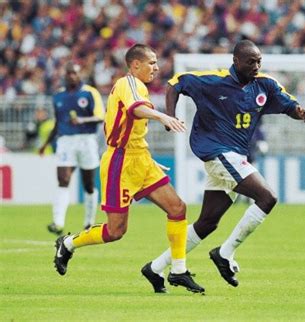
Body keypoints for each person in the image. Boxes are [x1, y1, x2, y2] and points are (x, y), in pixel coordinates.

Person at [150, 40, 305, 287]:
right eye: (251, 61)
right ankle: (224, 253)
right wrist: (169, 117)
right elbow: (176, 83)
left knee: (207, 223)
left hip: (233, 156)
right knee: (267, 197)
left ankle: (155, 267)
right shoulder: (213, 81)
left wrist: (300, 114)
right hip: (218, 152)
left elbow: (289, 105)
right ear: (236, 61)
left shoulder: (265, 85)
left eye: (259, 61)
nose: (256, 66)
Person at [53, 44, 205, 294]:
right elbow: (137, 109)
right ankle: (68, 244)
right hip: (119, 163)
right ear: (136, 65)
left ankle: (178, 271)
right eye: (151, 62)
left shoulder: (139, 86)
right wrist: (163, 116)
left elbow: (133, 123)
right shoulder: (129, 83)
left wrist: (147, 156)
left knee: (177, 208)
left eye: (156, 63)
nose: (156, 67)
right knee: (115, 231)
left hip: (141, 159)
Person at [40, 62, 104, 235]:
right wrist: (46, 144)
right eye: (68, 73)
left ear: (79, 74)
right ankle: (57, 222)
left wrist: (82, 120)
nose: (71, 76)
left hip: (87, 140)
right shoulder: (58, 96)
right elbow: (57, 123)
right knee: (63, 179)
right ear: (64, 75)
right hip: (65, 141)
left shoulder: (90, 92)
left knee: (88, 184)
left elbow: (100, 117)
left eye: (74, 73)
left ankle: (89, 222)